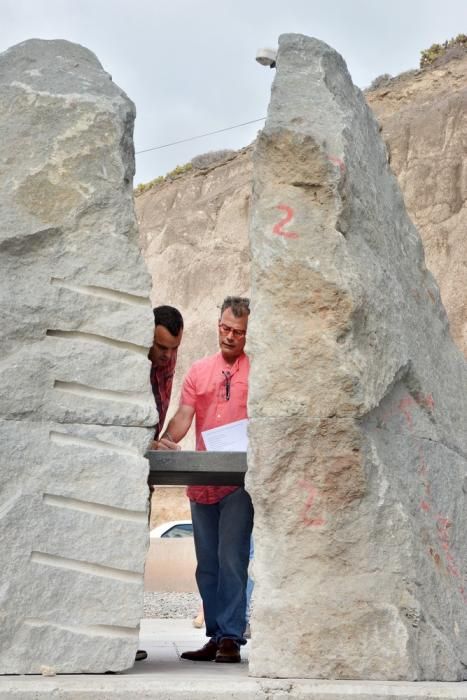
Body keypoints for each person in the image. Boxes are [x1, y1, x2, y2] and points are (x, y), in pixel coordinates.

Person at [159, 296, 253, 663]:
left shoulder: (256, 372)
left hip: (237, 486)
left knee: (232, 559)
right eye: (225, 329)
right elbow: (184, 416)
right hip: (202, 485)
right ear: (218, 325)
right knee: (208, 564)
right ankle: (214, 635)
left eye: (239, 333)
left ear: (248, 334)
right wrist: (167, 440)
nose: (230, 337)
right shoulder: (198, 370)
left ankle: (231, 636)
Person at [136, 305, 183, 662]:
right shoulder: (134, 361)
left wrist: (159, 440)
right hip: (124, 470)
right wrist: (143, 439)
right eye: (160, 347)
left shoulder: (167, 365)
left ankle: (126, 634)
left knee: (137, 557)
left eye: (173, 349)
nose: (166, 356)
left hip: (144, 476)